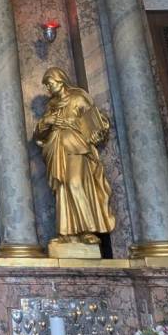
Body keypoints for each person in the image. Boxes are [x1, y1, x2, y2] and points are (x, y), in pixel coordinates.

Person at [34, 67, 115, 243]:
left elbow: (98, 120)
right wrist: (47, 121)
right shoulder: (51, 106)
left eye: (50, 84)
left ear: (60, 81)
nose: (48, 88)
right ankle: (66, 233)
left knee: (74, 183)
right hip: (57, 150)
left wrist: (90, 130)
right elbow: (38, 135)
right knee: (63, 188)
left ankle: (87, 230)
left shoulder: (77, 98)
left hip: (77, 147)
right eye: (46, 85)